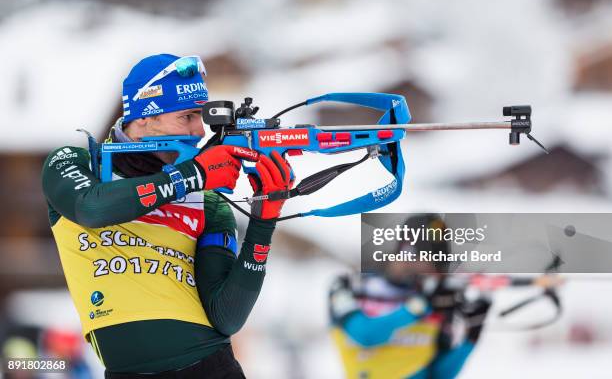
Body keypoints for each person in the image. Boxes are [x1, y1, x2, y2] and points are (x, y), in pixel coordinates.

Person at [41, 54, 293, 378]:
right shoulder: (75, 163)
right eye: (187, 116)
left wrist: (263, 221)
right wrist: (193, 175)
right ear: (145, 118)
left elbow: (226, 316)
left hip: (211, 368)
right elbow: (92, 208)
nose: (199, 131)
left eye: (200, 118)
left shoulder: (208, 202)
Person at [329, 214, 491, 379]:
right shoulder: (351, 286)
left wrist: (471, 336)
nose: (435, 272)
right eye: (430, 262)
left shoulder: (433, 298)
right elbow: (365, 335)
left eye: (439, 265)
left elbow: (438, 375)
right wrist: (420, 306)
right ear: (406, 253)